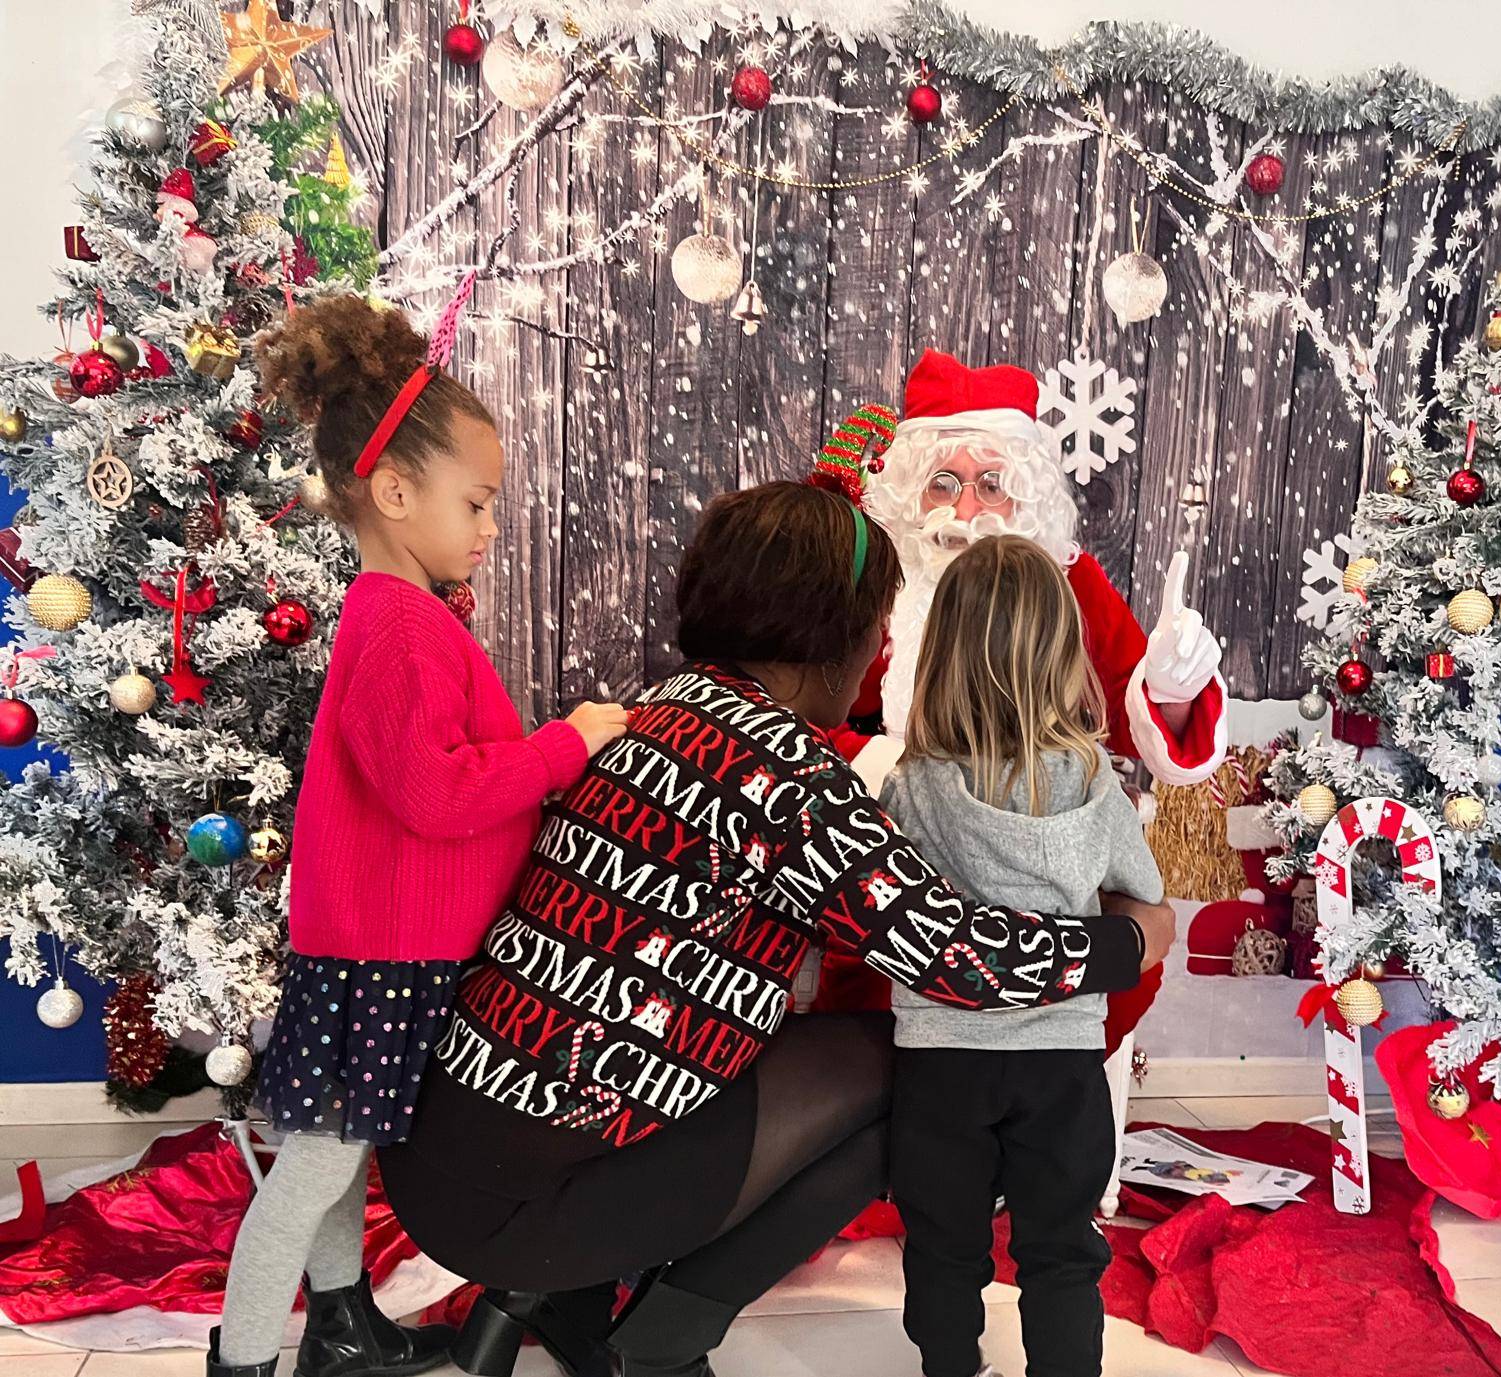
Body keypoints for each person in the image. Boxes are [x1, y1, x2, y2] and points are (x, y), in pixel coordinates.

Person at [377, 428, 1177, 1377]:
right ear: (834, 630)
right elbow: (960, 958)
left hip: (446, 1155)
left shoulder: (663, 711)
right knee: (923, 1081)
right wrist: (1129, 939)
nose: (882, 646)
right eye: (877, 622)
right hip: (534, 1197)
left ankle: (582, 1305)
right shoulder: (784, 770)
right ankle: (664, 1340)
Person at [208, 295, 628, 1377]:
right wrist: (563, 746)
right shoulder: (396, 624)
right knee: (318, 1163)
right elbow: (435, 796)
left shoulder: (406, 614)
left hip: (387, 948)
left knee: (340, 1159)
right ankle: (245, 1359)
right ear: (395, 493)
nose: (491, 526)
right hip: (380, 956)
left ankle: (340, 1326)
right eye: (477, 502)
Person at [815, 347, 1227, 1041]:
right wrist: (886, 767)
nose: (966, 510)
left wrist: (1174, 689)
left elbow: (1132, 712)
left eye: (991, 484)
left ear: (1025, 494)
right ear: (908, 489)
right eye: (943, 482)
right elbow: (797, 719)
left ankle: (1045, 1081)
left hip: (1038, 848)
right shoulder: (867, 582)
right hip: (896, 846)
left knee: (1119, 945)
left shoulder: (1067, 582)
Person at [881, 535, 1165, 1377]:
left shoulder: (913, 782)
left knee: (943, 1241)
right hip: (1062, 1060)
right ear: (1062, 652)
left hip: (940, 1059)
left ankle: (951, 1369)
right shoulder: (1090, 781)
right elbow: (1144, 903)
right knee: (1062, 1246)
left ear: (944, 652)